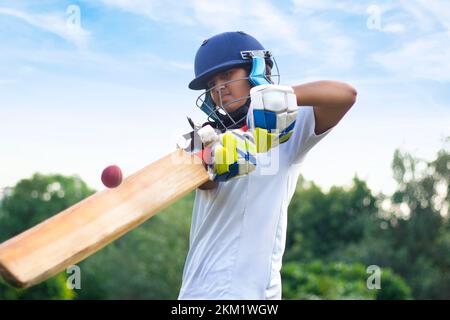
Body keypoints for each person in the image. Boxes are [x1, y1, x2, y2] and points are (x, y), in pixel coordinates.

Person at [178, 31, 357, 299]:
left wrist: (276, 98)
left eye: (227, 75)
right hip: (197, 294)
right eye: (212, 83)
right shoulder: (204, 138)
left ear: (258, 70)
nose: (219, 89)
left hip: (254, 295)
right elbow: (206, 181)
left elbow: (345, 94)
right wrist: (214, 157)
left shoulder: (288, 130)